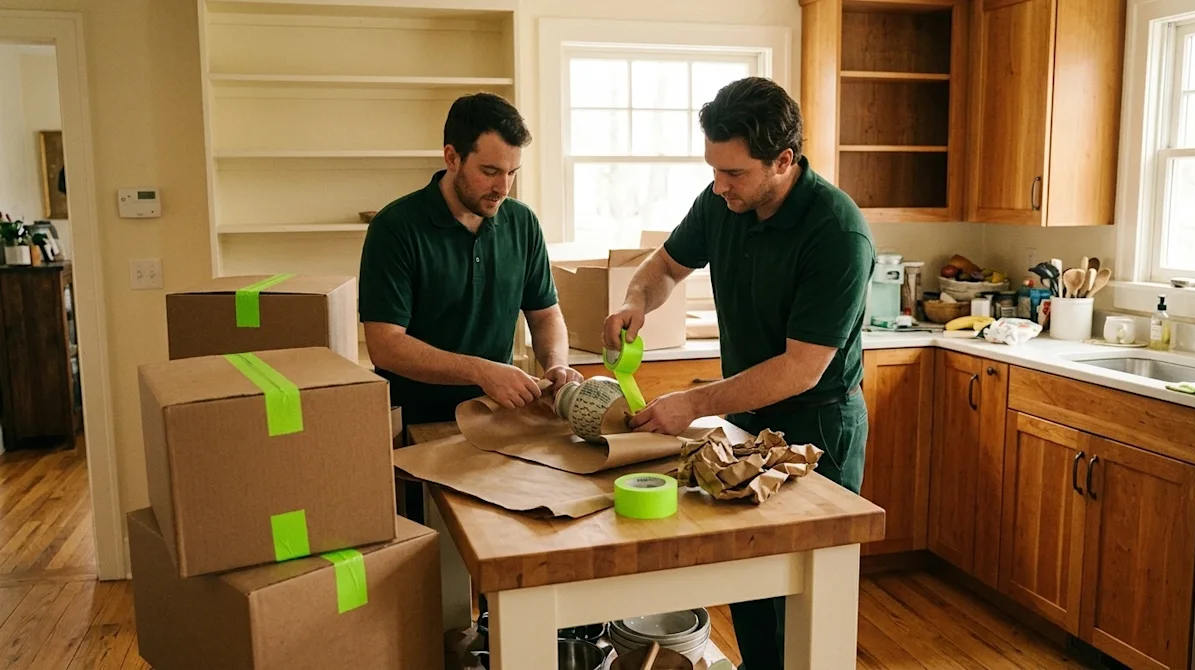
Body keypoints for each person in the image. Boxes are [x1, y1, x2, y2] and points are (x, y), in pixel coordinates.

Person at [602, 77, 875, 670]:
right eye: (714, 169)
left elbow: (802, 368)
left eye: (735, 173)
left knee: (802, 604)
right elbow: (666, 266)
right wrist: (635, 300)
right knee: (752, 587)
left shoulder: (836, 233)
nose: (719, 185)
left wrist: (694, 403)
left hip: (817, 425)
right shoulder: (721, 202)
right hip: (749, 419)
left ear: (783, 160)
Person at [359, 92, 583, 513]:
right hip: (413, 427)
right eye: (490, 171)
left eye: (512, 172)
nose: (503, 187)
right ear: (452, 157)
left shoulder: (522, 223)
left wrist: (555, 363)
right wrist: (481, 370)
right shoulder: (395, 228)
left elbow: (546, 312)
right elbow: (384, 344)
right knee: (431, 556)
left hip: (497, 422)